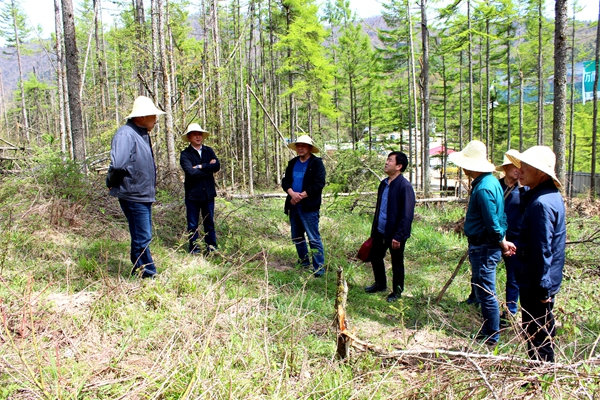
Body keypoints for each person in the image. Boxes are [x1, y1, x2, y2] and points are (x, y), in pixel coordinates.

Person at [448, 140, 515, 345]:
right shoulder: (491, 182)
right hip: (484, 245)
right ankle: (488, 330)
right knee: (482, 288)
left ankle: (492, 335)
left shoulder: (485, 188)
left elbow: (493, 220)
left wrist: (501, 241)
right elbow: (499, 217)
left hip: (485, 246)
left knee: (486, 292)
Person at [506, 146, 566, 362]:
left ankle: (540, 379)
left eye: (525, 167)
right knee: (539, 331)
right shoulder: (547, 196)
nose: (519, 171)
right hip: (538, 278)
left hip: (535, 281)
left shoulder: (541, 204)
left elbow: (542, 250)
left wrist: (542, 288)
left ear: (541, 172)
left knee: (537, 333)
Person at [107, 95, 166, 279]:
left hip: (142, 194)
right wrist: (112, 183)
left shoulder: (141, 135)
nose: (156, 120)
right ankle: (147, 274)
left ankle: (138, 271)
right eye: (152, 116)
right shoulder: (126, 134)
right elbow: (118, 165)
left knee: (141, 235)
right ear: (141, 117)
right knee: (143, 236)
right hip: (133, 194)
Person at [364, 151, 415, 302]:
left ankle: (397, 291)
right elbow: (380, 209)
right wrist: (374, 231)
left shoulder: (404, 187)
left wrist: (399, 236)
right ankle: (380, 284)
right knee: (375, 256)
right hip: (380, 231)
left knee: (397, 262)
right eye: (387, 159)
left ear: (399, 166)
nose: (386, 162)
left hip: (395, 234)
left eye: (390, 160)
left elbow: (407, 215)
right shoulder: (384, 184)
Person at [281, 135, 326, 277]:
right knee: (297, 237)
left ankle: (319, 268)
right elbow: (285, 181)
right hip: (293, 206)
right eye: (298, 145)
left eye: (303, 146)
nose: (300, 148)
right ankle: (303, 262)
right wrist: (292, 194)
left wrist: (301, 196)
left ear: (310, 148)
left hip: (309, 207)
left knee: (313, 238)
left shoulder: (316, 164)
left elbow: (319, 184)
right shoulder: (293, 162)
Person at [497, 149, 528, 321]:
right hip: (495, 237)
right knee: (483, 272)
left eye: (520, 167)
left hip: (515, 239)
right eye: (514, 166)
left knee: (513, 276)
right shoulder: (496, 186)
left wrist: (523, 189)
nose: (517, 170)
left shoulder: (524, 189)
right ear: (505, 168)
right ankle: (477, 298)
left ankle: (510, 310)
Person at [180, 123, 221, 255]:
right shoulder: (185, 154)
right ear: (189, 137)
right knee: (192, 224)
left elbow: (217, 166)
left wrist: (200, 166)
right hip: (193, 195)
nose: (198, 136)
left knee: (209, 222)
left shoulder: (209, 151)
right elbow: (190, 173)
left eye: (199, 134)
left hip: (208, 194)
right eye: (194, 134)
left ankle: (212, 247)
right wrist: (208, 169)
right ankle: (194, 249)